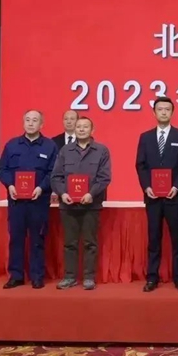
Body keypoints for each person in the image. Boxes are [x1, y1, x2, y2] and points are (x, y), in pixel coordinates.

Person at [135, 97, 178, 293]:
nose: (164, 112)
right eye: (160, 109)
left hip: (174, 197)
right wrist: (146, 187)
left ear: (172, 112)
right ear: (154, 112)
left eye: (167, 109)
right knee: (153, 239)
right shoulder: (145, 137)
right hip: (152, 197)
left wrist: (176, 186)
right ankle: (152, 277)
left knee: (177, 239)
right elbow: (140, 165)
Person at [0, 110, 58, 289]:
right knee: (16, 239)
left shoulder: (50, 146)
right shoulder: (12, 145)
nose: (31, 123)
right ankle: (16, 276)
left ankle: (37, 276)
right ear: (23, 123)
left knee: (38, 239)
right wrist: (10, 185)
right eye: (28, 120)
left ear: (41, 124)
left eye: (35, 120)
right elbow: (2, 170)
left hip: (38, 202)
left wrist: (41, 188)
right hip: (17, 202)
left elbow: (53, 172)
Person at [50, 117, 112, 290]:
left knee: (90, 243)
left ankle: (89, 277)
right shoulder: (65, 150)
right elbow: (56, 176)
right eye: (79, 126)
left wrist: (91, 194)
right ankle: (69, 277)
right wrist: (63, 193)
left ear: (92, 130)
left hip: (91, 204)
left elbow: (104, 177)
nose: (82, 129)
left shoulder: (101, 150)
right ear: (74, 129)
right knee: (70, 243)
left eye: (85, 127)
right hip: (68, 205)